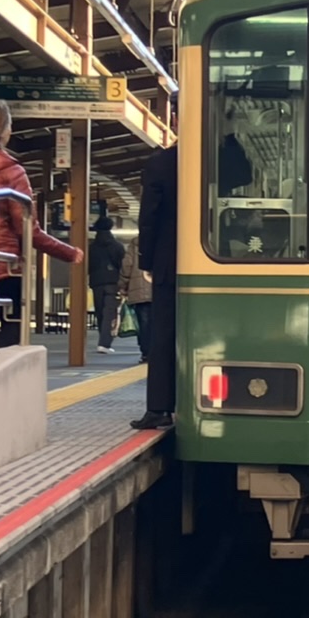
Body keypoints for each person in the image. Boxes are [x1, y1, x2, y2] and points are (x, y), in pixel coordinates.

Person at [0, 99, 82, 363]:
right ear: (2, 129)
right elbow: (29, 229)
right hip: (1, 268)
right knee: (11, 326)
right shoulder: (11, 172)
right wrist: (69, 252)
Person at [131, 142, 177, 430]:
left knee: (164, 334)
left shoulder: (162, 162)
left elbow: (148, 216)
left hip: (170, 258)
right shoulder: (217, 154)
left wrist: (146, 259)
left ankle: (159, 407)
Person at [88, 216, 124, 354]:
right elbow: (122, 265)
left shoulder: (92, 247)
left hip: (96, 283)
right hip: (112, 283)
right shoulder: (117, 246)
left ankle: (102, 340)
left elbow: (88, 266)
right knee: (109, 313)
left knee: (100, 312)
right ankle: (104, 343)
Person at [118, 236, 152, 363]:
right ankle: (159, 353)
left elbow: (127, 265)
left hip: (139, 291)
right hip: (161, 292)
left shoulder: (136, 243)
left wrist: (123, 286)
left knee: (144, 324)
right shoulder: (166, 241)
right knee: (159, 323)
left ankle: (146, 353)